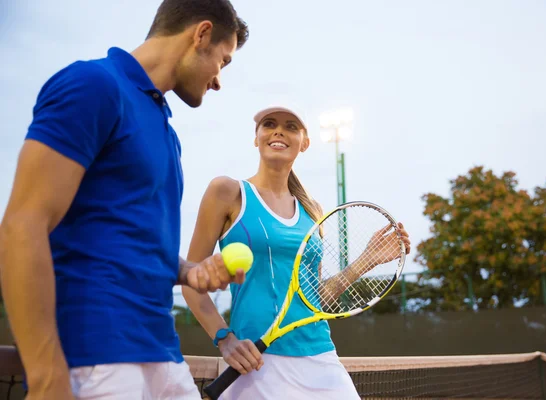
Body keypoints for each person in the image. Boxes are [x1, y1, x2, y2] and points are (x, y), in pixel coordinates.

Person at [0, 1, 250, 399]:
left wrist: (188, 272)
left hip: (164, 356)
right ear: (201, 34)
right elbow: (22, 225)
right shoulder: (93, 84)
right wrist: (47, 375)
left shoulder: (168, 135)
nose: (219, 79)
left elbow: (127, 238)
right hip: (93, 359)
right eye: (224, 60)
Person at [183, 106, 412, 399]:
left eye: (291, 126)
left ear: (304, 143)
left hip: (320, 357)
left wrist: (366, 261)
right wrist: (224, 338)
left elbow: (313, 299)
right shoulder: (226, 192)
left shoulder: (311, 211)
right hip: (256, 363)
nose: (278, 131)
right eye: (269, 124)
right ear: (257, 138)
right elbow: (192, 280)